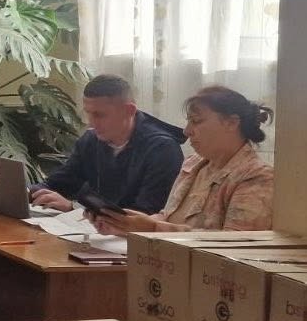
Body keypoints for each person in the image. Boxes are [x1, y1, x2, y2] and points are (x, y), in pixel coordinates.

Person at [92, 86, 274, 234]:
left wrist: (152, 228)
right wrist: (123, 225)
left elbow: (235, 245)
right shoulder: (193, 164)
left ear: (231, 123)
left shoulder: (257, 177)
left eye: (196, 121)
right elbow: (167, 218)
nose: (187, 131)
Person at [30, 74, 185, 213]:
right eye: (88, 113)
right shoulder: (91, 140)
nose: (91, 123)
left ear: (129, 111)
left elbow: (148, 213)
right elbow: (58, 184)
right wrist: (27, 192)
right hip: (90, 230)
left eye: (99, 115)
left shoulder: (163, 150)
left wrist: (74, 208)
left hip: (134, 235)